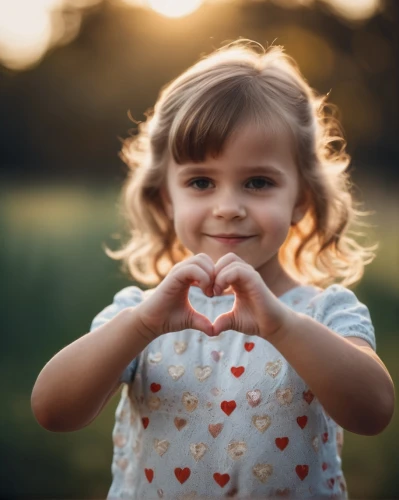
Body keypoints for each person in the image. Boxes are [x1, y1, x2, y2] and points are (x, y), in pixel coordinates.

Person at [31, 40, 395, 499]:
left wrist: (282, 326)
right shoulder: (140, 315)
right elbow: (52, 412)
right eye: (201, 182)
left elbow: (374, 411)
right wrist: (141, 325)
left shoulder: (326, 314)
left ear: (301, 199)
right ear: (166, 197)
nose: (228, 207)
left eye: (258, 182)